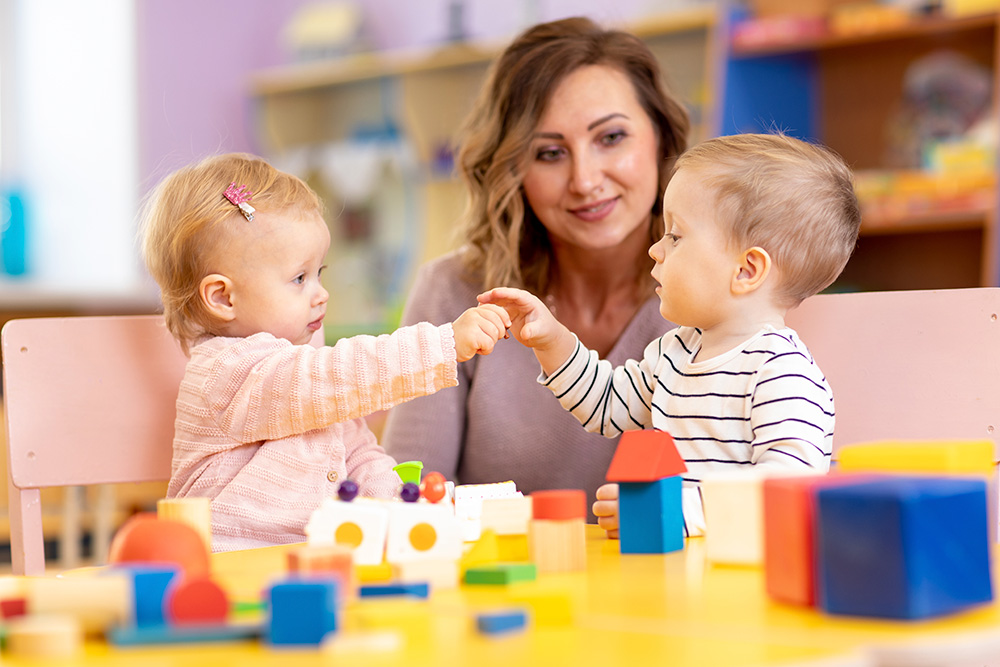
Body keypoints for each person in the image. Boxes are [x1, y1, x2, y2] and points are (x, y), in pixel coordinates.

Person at [380, 17, 690, 517]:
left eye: (611, 137)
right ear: (513, 171)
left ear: (661, 138)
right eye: (549, 153)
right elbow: (406, 500)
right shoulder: (452, 292)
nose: (585, 180)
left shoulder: (725, 297)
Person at [479, 132, 861, 536]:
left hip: (743, 582)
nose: (655, 250)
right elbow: (606, 403)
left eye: (675, 236)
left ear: (747, 271)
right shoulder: (674, 351)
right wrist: (553, 340)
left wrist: (671, 512)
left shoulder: (781, 373)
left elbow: (788, 489)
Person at [139, 153, 510, 551]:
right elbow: (334, 377)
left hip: (314, 558)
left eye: (321, 273)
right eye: (299, 278)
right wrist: (442, 344)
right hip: (229, 564)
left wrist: (407, 504)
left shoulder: (306, 374)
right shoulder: (226, 373)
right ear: (222, 297)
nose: (321, 294)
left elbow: (360, 456)